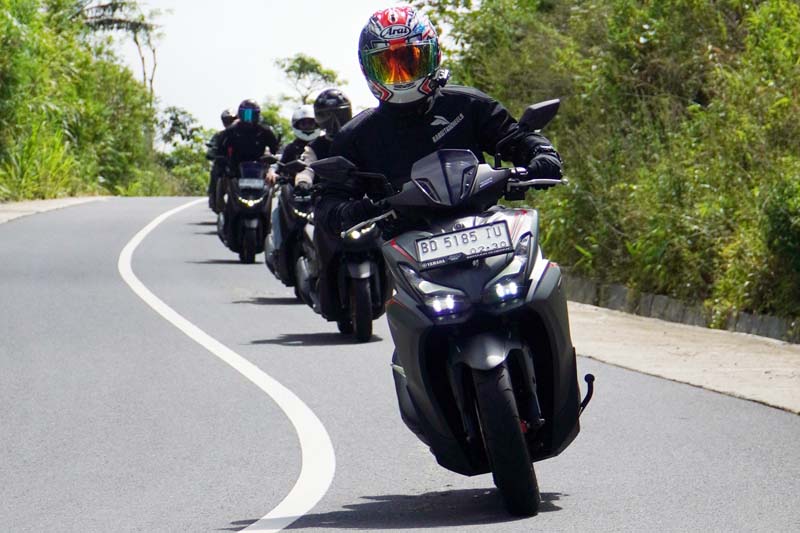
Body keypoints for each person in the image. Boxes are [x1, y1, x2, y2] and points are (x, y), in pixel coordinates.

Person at [314, 5, 563, 236]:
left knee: (538, 266)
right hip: (405, 240)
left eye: (410, 61)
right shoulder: (356, 136)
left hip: (484, 224)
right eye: (387, 66)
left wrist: (541, 152)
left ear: (433, 55)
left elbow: (514, 138)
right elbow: (329, 203)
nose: (401, 75)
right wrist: (353, 211)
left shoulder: (468, 104)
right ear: (366, 67)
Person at [219, 99, 280, 173]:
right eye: (246, 114)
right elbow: (221, 151)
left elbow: (275, 151)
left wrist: (271, 164)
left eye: (251, 115)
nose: (248, 119)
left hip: (260, 170)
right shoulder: (231, 131)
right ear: (240, 114)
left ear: (257, 115)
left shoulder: (265, 131)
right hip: (235, 171)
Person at [206, 109, 235, 211]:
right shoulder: (220, 135)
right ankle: (213, 197)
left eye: (232, 120)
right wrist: (213, 153)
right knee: (216, 170)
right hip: (224, 166)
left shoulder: (243, 134)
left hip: (240, 166)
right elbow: (212, 148)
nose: (229, 123)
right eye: (227, 120)